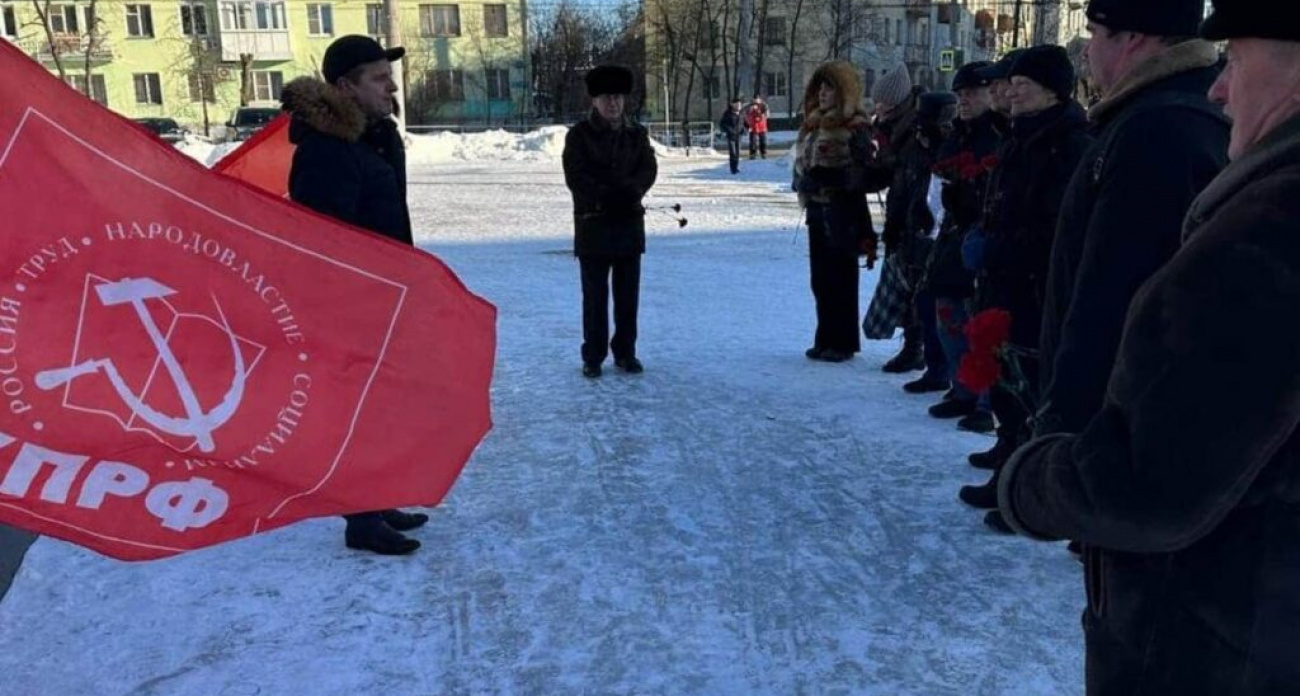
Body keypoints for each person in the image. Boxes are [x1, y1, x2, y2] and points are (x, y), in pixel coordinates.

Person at [998, 1, 1300, 690]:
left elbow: (1151, 484)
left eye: (1238, 62)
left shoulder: (1272, 229)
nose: (1219, 89)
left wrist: (1035, 480)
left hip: (1216, 639)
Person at [282, 34, 427, 556]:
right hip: (348, 306)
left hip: (382, 296)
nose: (391, 85)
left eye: (388, 75)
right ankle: (360, 520)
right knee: (354, 409)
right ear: (345, 86)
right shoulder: (326, 150)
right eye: (377, 76)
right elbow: (325, 242)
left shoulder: (371, 136)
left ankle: (376, 498)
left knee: (379, 407)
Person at [957, 45, 1092, 513]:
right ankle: (1007, 454)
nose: (1010, 93)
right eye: (1011, 85)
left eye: (1022, 86)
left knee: (1027, 382)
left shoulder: (1068, 142)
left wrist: (998, 246)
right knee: (1002, 373)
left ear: (1052, 92)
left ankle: (1022, 487)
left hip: (1034, 282)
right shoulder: (1022, 134)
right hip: (1003, 275)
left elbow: (1054, 223)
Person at [561, 65, 658, 379]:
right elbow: (576, 176)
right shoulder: (578, 136)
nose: (613, 103)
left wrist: (633, 190)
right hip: (594, 226)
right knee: (595, 297)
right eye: (606, 98)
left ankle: (626, 353)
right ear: (595, 101)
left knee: (628, 297)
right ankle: (593, 355)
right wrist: (605, 196)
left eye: (617, 97)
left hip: (628, 225)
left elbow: (648, 168)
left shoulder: (636, 134)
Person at [922, 61, 1001, 433]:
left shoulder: (999, 133)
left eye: (973, 92)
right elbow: (939, 177)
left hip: (984, 234)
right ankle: (962, 388)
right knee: (948, 315)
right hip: (953, 232)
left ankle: (986, 400)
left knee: (980, 323)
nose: (965, 100)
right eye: (961, 94)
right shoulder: (957, 134)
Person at [793, 61, 873, 363]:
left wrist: (828, 178)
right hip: (816, 209)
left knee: (841, 278)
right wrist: (801, 178)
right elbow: (804, 161)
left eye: (829, 88)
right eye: (820, 87)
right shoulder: (813, 123)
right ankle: (825, 336)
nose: (823, 93)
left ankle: (843, 342)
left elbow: (862, 173)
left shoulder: (854, 125)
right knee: (820, 279)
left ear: (843, 92)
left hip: (843, 211)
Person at [861, 63, 927, 373]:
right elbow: (883, 175)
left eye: (883, 102)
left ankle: (916, 348)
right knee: (905, 283)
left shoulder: (915, 129)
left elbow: (908, 173)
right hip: (901, 212)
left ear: (898, 102)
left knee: (913, 286)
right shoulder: (892, 128)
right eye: (876, 102)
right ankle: (913, 346)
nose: (878, 108)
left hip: (916, 215)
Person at [718, 97, 747, 174]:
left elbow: (746, 123)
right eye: (737, 104)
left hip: (739, 136)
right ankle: (733, 169)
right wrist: (728, 130)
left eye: (740, 105)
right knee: (733, 153)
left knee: (737, 153)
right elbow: (722, 124)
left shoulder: (742, 113)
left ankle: (736, 167)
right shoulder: (728, 113)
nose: (738, 106)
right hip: (731, 136)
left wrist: (745, 130)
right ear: (732, 105)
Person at [745, 94, 769, 159]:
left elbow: (767, 115)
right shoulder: (749, 106)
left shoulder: (764, 105)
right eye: (754, 99)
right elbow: (746, 115)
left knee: (763, 140)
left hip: (762, 125)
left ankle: (763, 153)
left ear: (759, 99)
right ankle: (752, 154)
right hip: (753, 126)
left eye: (757, 99)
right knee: (753, 141)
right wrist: (751, 110)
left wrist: (760, 114)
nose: (756, 100)